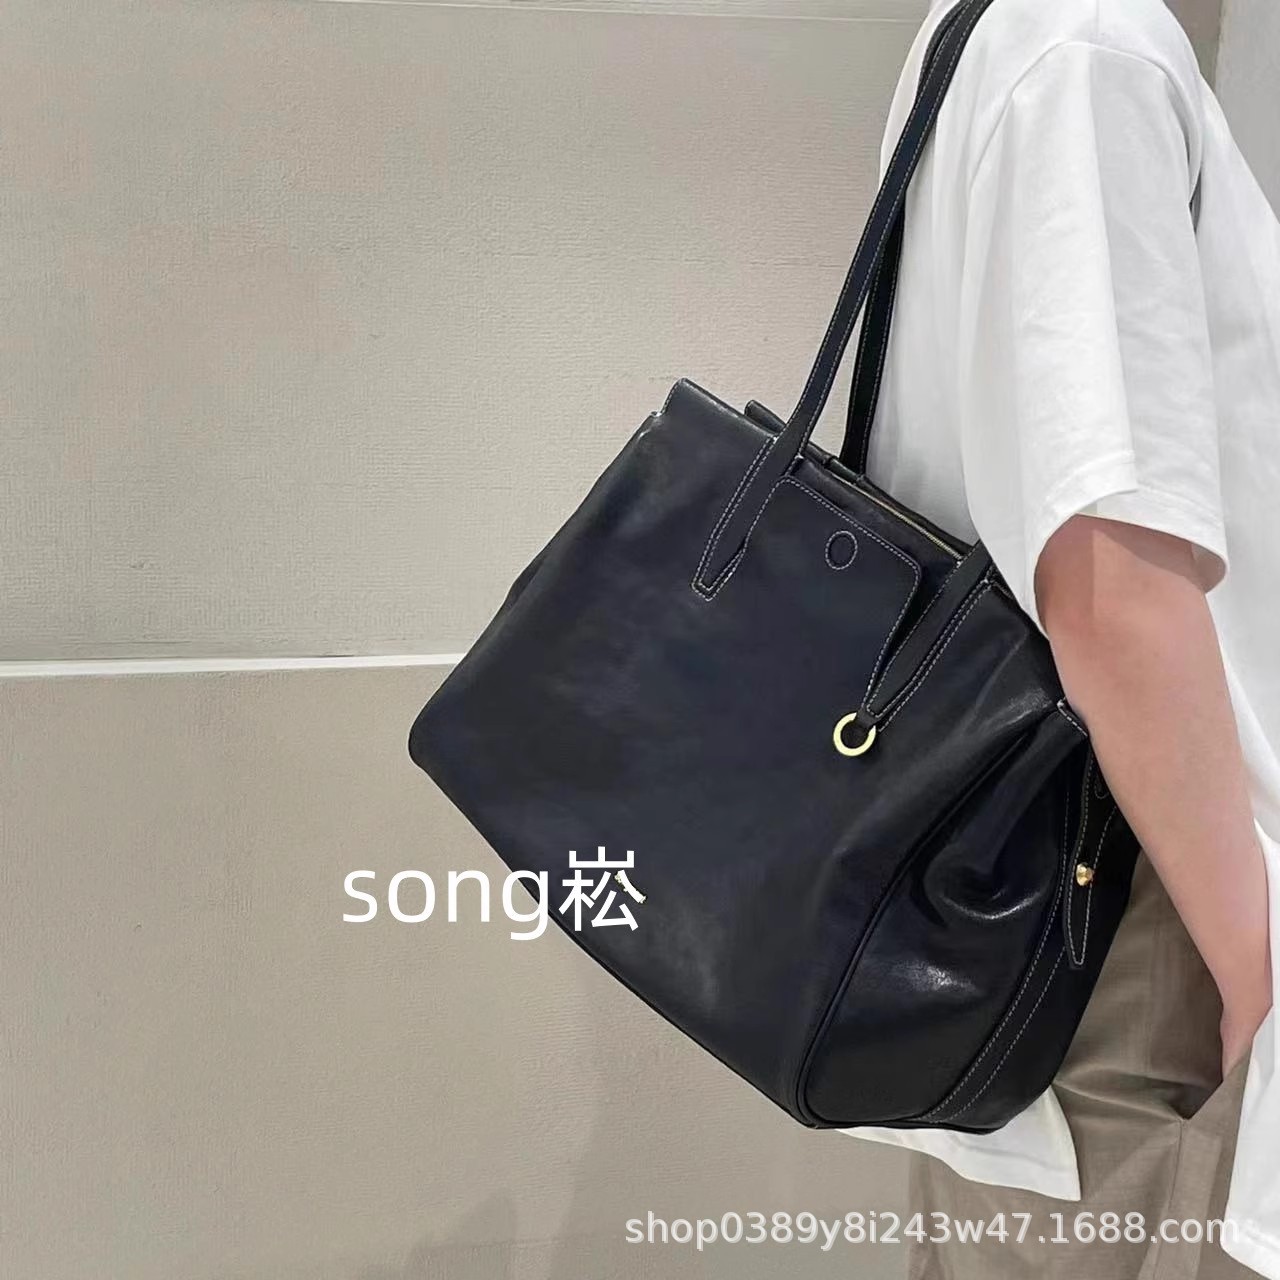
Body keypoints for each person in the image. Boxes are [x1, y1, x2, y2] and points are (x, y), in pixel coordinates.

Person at [841, 0, 1280, 1276]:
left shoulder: (994, 29)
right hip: (1131, 891)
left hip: (1032, 863)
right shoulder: (1090, 48)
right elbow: (1103, 574)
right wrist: (1251, 963)